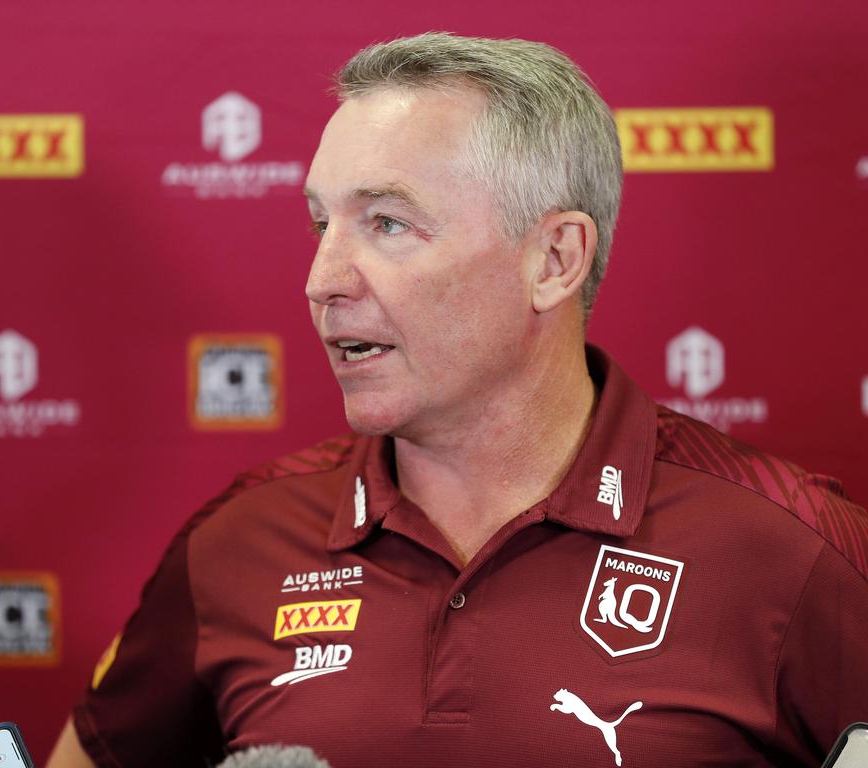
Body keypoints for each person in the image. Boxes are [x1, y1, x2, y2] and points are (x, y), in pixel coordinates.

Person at [46, 33, 868, 768]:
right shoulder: (239, 543)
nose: (322, 281)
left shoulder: (788, 548)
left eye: (389, 223)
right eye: (319, 224)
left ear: (553, 259)